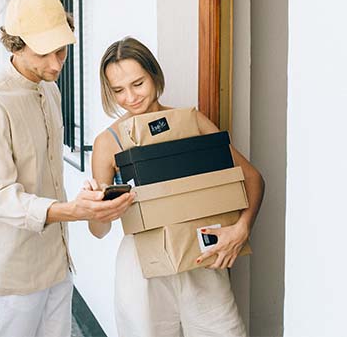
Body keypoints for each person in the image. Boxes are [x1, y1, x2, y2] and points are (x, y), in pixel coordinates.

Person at [0, 0, 134, 337]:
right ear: (15, 45)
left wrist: (86, 200)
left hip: (57, 259)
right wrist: (73, 211)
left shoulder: (49, 90)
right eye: (44, 53)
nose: (56, 64)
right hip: (14, 270)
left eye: (61, 50)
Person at [89, 37, 265, 337]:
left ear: (155, 76)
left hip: (199, 257)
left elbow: (252, 177)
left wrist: (242, 229)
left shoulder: (191, 122)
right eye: (118, 90)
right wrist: (98, 208)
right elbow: (98, 230)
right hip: (142, 268)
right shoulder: (108, 142)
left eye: (138, 83)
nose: (130, 97)